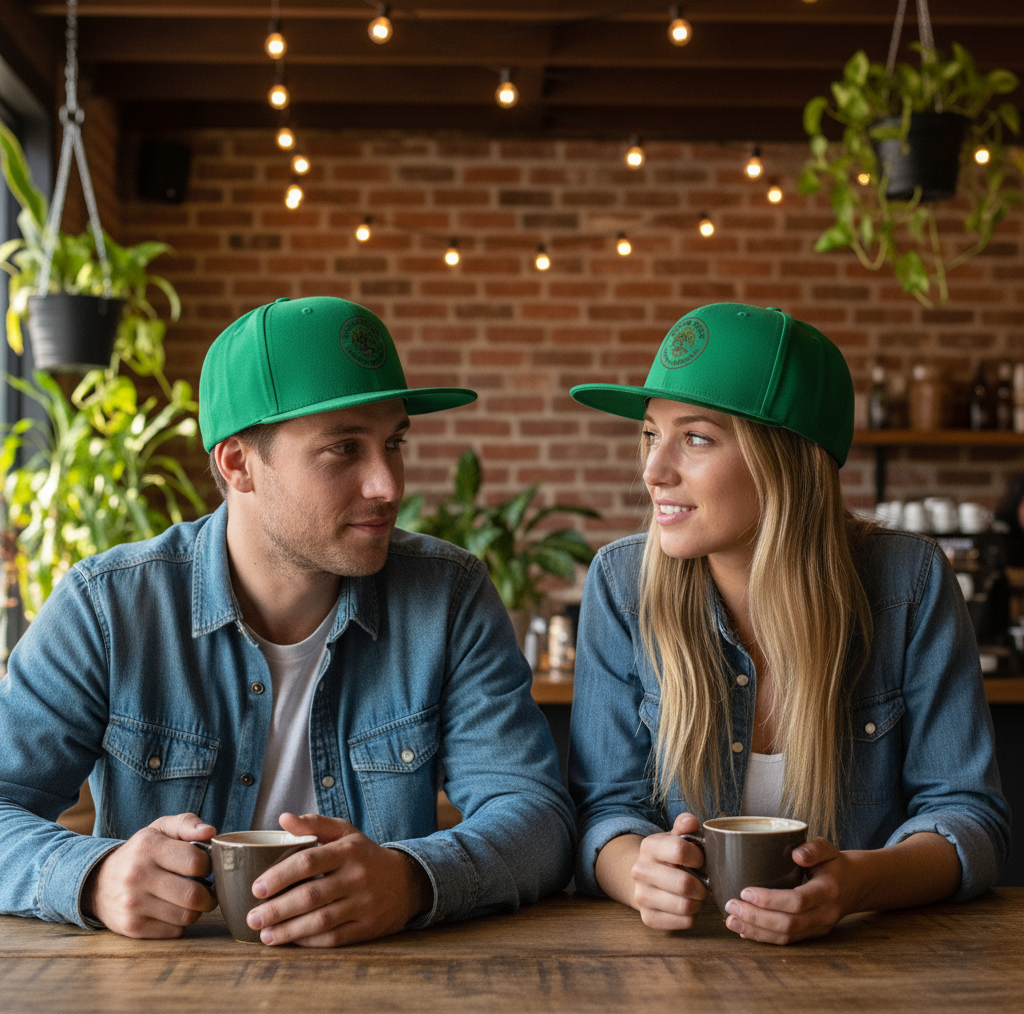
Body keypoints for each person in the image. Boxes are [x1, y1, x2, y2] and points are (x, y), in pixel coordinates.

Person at [0, 296, 575, 945]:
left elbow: (537, 817)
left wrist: (411, 880)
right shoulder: (108, 606)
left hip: (387, 979)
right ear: (238, 463)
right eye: (343, 449)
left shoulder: (448, 597)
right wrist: (94, 876)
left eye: (394, 443)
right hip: (158, 983)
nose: (388, 485)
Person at [567, 302, 1010, 945]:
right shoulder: (621, 584)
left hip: (873, 965)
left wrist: (859, 884)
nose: (653, 471)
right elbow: (603, 812)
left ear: (786, 460)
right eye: (650, 435)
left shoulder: (907, 582)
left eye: (695, 438)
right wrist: (639, 873)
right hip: (677, 965)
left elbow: (969, 816)